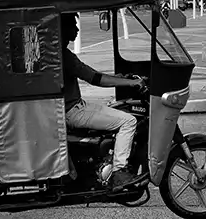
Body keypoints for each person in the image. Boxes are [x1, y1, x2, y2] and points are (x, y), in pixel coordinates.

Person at [60, 12, 146, 189]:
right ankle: (119, 173)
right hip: (73, 111)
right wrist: (131, 83)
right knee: (129, 121)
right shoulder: (65, 57)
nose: (76, 29)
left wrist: (121, 78)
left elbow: (95, 75)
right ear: (61, 29)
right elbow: (96, 79)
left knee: (117, 111)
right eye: (72, 25)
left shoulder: (58, 54)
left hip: (70, 108)